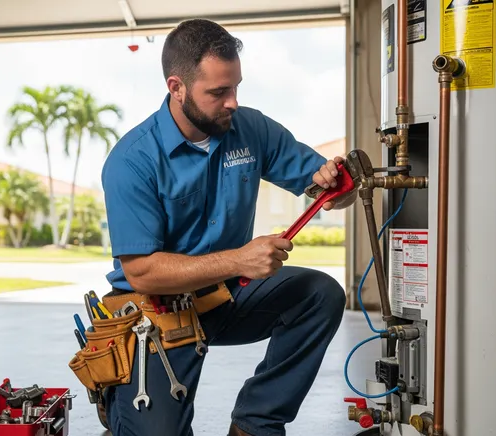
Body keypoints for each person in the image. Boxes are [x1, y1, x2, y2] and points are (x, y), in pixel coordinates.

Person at [99, 18, 355, 436]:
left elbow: (324, 188)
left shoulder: (250, 128)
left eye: (236, 87)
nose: (232, 101)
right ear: (176, 87)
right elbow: (142, 271)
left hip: (228, 296)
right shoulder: (132, 160)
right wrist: (240, 258)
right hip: (157, 311)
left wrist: (337, 183)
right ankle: (123, 402)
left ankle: (256, 423)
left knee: (319, 295)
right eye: (218, 92)